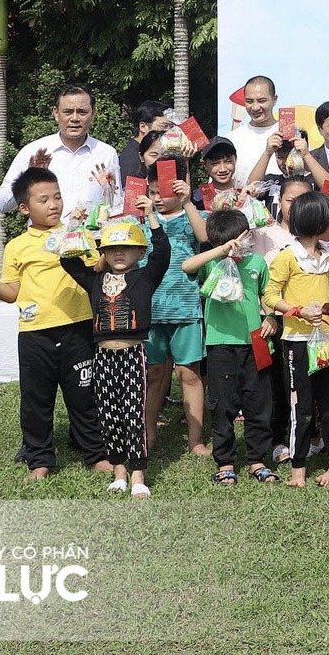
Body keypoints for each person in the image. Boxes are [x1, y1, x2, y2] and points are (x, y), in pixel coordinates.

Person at [0, 168, 108, 479]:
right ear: (24, 208)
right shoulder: (17, 247)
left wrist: (109, 244)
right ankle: (40, 459)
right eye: (44, 199)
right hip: (35, 333)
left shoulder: (78, 234)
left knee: (84, 396)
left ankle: (96, 453)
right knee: (36, 400)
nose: (54, 205)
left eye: (58, 197)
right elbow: (11, 294)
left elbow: (96, 272)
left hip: (79, 326)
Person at [56, 211, 170, 497]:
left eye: (126, 248)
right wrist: (75, 225)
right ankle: (119, 471)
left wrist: (151, 218)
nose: (119, 253)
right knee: (109, 413)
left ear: (140, 251)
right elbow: (67, 260)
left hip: (133, 354)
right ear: (103, 252)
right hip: (103, 356)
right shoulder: (94, 280)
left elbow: (163, 253)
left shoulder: (145, 277)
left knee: (134, 414)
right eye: (111, 249)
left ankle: (138, 475)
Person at [182, 208, 277, 484]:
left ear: (248, 235)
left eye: (240, 239)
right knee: (223, 404)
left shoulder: (257, 263)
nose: (237, 246)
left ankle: (258, 459)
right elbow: (187, 266)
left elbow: (268, 297)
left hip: (255, 341)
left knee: (258, 402)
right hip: (220, 343)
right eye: (229, 241)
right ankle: (225, 462)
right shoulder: (213, 263)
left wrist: (271, 317)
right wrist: (220, 251)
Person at [265, 190, 329, 488]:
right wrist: (298, 311)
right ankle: (298, 468)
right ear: (317, 222)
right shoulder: (287, 257)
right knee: (300, 404)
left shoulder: (325, 255)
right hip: (297, 342)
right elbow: (271, 296)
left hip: (328, 338)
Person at [144, 148, 210, 458]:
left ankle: (196, 440)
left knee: (188, 373)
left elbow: (206, 236)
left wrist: (187, 202)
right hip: (151, 309)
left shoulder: (194, 214)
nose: (158, 198)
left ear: (183, 183)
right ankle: (148, 434)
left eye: (164, 191)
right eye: (153, 191)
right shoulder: (144, 220)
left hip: (185, 307)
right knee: (155, 373)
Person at [0, 85, 118, 218]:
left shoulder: (107, 153)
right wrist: (29, 177)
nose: (75, 118)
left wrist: (108, 191)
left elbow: (116, 205)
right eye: (68, 112)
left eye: (82, 112)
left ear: (93, 114)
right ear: (56, 113)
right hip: (45, 237)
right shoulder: (33, 152)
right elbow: (2, 205)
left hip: (92, 236)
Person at [228, 75, 284, 196]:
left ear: (275, 99)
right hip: (245, 209)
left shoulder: (288, 133)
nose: (255, 107)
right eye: (249, 101)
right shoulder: (233, 138)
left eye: (261, 101)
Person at [118, 99, 173, 184]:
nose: (168, 131)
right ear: (143, 127)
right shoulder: (131, 162)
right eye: (164, 126)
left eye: (170, 127)